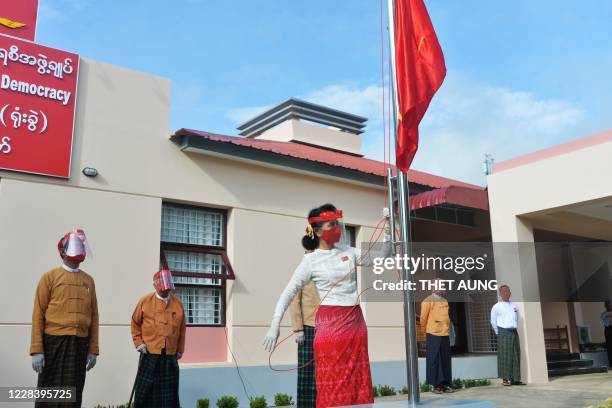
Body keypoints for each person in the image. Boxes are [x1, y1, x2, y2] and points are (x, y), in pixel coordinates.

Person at [263, 204, 391, 408]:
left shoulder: (349, 251)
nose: (338, 229)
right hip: (330, 326)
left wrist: (388, 229)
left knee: (358, 383)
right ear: (319, 231)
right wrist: (274, 324)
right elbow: (288, 292)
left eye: (337, 224)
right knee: (333, 387)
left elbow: (382, 258)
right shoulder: (310, 261)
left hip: (355, 324)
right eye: (332, 225)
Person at [30, 229, 99, 408]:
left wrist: (93, 349)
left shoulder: (88, 281)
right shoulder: (49, 278)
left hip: (79, 345)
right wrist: (37, 349)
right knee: (49, 393)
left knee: (73, 395)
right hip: (54, 343)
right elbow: (38, 313)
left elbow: (94, 316)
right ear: (62, 251)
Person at [131, 269, 186, 407]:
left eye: (168, 288)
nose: (166, 291)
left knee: (169, 394)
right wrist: (138, 343)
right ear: (155, 285)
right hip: (149, 354)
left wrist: (180, 349)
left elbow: (182, 329)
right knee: (145, 392)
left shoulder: (178, 304)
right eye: (163, 288)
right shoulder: (145, 301)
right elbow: (135, 323)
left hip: (170, 356)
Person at [289, 244, 320, 408]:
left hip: (329, 327)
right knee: (307, 373)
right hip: (308, 328)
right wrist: (298, 329)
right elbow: (294, 301)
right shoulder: (301, 271)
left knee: (326, 372)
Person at [420, 280, 453, 394]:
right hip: (433, 333)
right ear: (433, 287)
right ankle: (436, 385)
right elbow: (423, 318)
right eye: (439, 285)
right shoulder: (427, 301)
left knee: (445, 360)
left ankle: (446, 384)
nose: (441, 287)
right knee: (434, 360)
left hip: (444, 333)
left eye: (443, 285)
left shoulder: (444, 301)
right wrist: (426, 331)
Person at [490, 284, 520, 386]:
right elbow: (493, 321)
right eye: (504, 292)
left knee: (515, 355)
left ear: (510, 293)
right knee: (505, 356)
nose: (506, 293)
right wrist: (499, 333)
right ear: (500, 294)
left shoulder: (515, 306)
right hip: (503, 332)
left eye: (508, 291)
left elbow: (517, 318)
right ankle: (505, 379)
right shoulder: (497, 306)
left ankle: (515, 379)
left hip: (513, 331)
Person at [601, 300, 612, 367]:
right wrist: (608, 324)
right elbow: (602, 322)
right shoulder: (603, 314)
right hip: (608, 330)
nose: (609, 305)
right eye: (607, 304)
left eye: (610, 303)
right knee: (609, 346)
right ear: (605, 305)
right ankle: (611, 362)